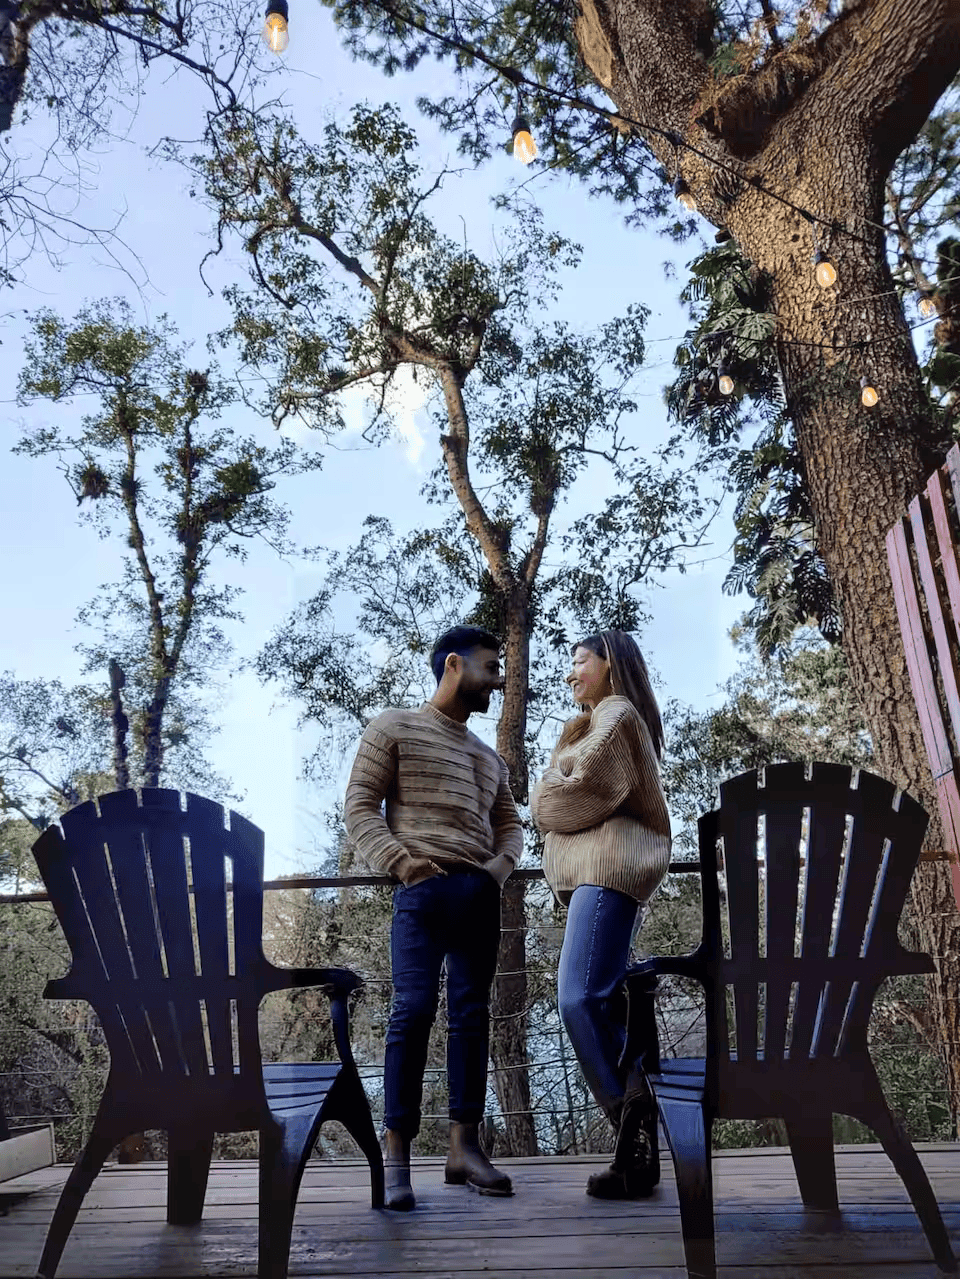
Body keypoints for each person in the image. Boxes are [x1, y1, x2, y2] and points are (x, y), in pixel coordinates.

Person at [343, 624, 523, 1211]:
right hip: (420, 890)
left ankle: (463, 1150)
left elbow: (510, 824)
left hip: (477, 893)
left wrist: (497, 871)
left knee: (472, 1016)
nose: (498, 681)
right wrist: (401, 863)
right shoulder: (392, 726)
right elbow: (360, 806)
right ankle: (396, 1159)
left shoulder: (487, 755)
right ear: (454, 665)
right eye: (490, 668)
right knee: (412, 1012)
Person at [530, 630, 671, 1199]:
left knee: (579, 998)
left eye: (579, 660)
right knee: (603, 1002)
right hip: (602, 880)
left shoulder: (616, 714)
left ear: (610, 663)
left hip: (606, 876)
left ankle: (635, 1132)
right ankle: (638, 1157)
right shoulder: (599, 723)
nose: (570, 674)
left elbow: (570, 795)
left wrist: (545, 795)